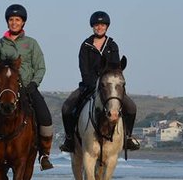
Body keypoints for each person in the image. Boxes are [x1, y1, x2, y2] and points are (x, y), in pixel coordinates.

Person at [0, 4, 55, 170]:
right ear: (7, 22)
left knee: (45, 117)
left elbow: (41, 67)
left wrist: (33, 84)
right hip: (4, 88)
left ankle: (44, 154)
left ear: (23, 23)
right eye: (11, 20)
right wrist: (1, 82)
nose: (14, 22)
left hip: (28, 87)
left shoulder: (31, 44)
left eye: (17, 20)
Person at [59, 11, 140, 153]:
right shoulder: (85, 45)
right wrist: (93, 84)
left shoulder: (112, 45)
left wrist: (108, 84)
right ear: (93, 27)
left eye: (102, 25)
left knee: (131, 107)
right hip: (89, 85)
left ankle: (127, 137)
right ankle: (70, 139)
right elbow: (83, 68)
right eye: (97, 25)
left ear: (107, 27)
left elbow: (115, 68)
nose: (99, 27)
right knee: (66, 107)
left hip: (109, 87)